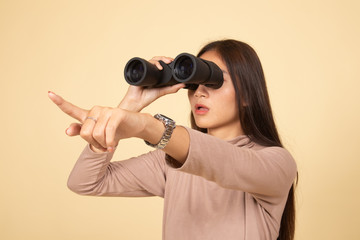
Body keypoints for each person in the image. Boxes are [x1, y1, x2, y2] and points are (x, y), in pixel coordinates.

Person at [48, 39, 297, 240]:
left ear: (247, 96)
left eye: (214, 80)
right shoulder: (170, 163)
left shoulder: (276, 163)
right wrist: (128, 108)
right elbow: (85, 182)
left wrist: (147, 126)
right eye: (194, 82)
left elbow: (226, 162)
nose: (199, 91)